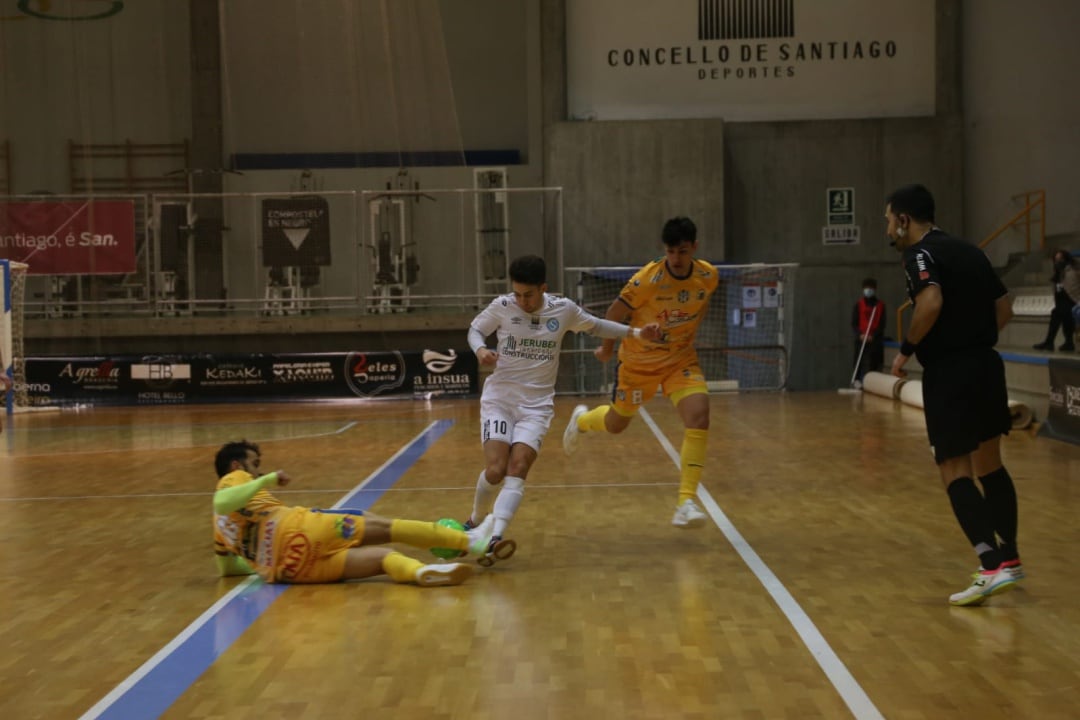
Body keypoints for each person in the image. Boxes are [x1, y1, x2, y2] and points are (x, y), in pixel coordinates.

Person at [463, 254, 662, 563]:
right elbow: (475, 329)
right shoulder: (503, 307)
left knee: (518, 468)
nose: (522, 300)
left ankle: (495, 536)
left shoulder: (564, 310)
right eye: (517, 293)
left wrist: (636, 333)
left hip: (537, 406)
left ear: (544, 288)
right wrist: (479, 349)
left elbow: (597, 326)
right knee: (496, 469)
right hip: (500, 400)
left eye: (528, 294)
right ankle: (476, 520)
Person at [886, 184, 1023, 607]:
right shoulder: (971, 250)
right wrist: (974, 339)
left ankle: (990, 564)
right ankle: (1012, 558)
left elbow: (929, 302)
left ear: (905, 221)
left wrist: (906, 351)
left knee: (953, 467)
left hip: (950, 372)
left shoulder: (919, 255)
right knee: (991, 464)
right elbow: (1005, 309)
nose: (888, 228)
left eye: (890, 220)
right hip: (986, 364)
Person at [562, 216, 719, 529]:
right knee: (616, 423)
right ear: (665, 250)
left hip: (679, 361)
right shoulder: (647, 279)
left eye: (683, 252)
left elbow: (694, 311)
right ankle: (581, 421)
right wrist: (607, 350)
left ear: (694, 248)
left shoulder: (708, 276)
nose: (676, 259)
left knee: (699, 416)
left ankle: (685, 502)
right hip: (638, 365)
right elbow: (613, 314)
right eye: (671, 252)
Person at [212, 440, 496, 586]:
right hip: (302, 529)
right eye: (255, 464)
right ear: (237, 465)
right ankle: (471, 542)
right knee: (388, 528)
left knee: (385, 560)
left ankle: (422, 572)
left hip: (292, 569)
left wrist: (259, 564)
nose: (258, 469)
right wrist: (267, 479)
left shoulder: (219, 531)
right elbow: (223, 502)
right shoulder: (235, 478)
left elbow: (227, 570)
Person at [1032, 248, 1080, 352]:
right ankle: (1068, 342)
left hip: (1074, 302)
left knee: (1058, 312)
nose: (1058, 262)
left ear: (1066, 259)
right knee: (1060, 311)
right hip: (1063, 304)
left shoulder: (1073, 271)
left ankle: (1050, 342)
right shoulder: (1057, 274)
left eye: (1061, 259)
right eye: (1056, 259)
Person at [850, 277, 886, 388]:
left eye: (870, 288)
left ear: (874, 289)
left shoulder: (880, 306)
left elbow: (882, 324)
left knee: (873, 362)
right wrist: (860, 334)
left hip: (874, 340)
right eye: (866, 288)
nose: (868, 290)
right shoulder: (858, 305)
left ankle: (871, 384)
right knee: (858, 361)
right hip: (861, 338)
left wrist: (873, 336)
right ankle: (856, 382)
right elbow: (854, 323)